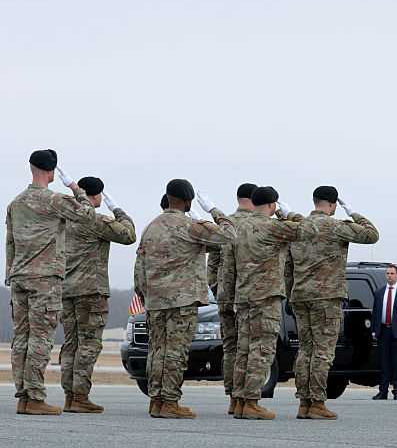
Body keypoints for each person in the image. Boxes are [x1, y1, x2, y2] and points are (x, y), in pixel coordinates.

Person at [135, 179, 236, 419]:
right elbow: (230, 236)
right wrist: (214, 211)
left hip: (156, 300)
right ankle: (170, 402)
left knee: (157, 350)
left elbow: (139, 266)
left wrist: (143, 294)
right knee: (175, 352)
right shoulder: (190, 226)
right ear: (188, 200)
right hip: (181, 301)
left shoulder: (151, 227)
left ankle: (157, 400)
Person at [5, 150, 96, 415]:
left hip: (19, 276)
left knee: (21, 338)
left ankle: (23, 396)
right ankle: (34, 397)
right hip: (44, 279)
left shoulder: (16, 203)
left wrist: (10, 272)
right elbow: (87, 215)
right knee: (41, 338)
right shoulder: (54, 200)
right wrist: (77, 189)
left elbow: (10, 242)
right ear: (51, 171)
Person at [285, 185, 379, 419]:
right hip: (326, 297)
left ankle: (304, 402)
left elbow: (288, 267)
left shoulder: (298, 227)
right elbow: (372, 234)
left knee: (305, 349)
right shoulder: (336, 227)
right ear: (333, 204)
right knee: (322, 351)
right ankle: (317, 403)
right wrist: (353, 213)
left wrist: (291, 293)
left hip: (300, 296)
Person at [232, 186, 317, 420]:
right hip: (266, 296)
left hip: (244, 295)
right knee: (262, 349)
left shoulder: (241, 227)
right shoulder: (273, 227)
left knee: (244, 349)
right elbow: (310, 229)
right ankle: (251, 401)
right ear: (272, 205)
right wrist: (287, 214)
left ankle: (239, 401)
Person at [60, 176, 136, 413]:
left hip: (66, 291)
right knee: (89, 344)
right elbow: (129, 235)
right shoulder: (94, 219)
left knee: (71, 344)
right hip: (90, 291)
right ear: (96, 195)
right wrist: (118, 210)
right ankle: (80, 396)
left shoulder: (64, 219)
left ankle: (70, 396)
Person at [205, 182, 257, 415]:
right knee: (248, 347)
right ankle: (245, 396)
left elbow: (213, 263)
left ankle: (232, 398)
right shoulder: (256, 224)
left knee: (230, 347)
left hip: (225, 295)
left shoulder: (225, 224)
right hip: (248, 296)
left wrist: (218, 289)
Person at [371, 264, 397, 400]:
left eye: (392, 273)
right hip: (383, 331)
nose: (389, 276)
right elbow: (375, 313)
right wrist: (374, 330)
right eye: (388, 273)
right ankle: (382, 392)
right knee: (384, 363)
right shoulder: (379, 292)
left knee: (396, 363)